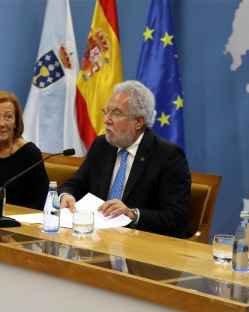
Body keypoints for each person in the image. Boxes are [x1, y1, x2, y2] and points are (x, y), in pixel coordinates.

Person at [59, 80, 191, 238]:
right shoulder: (102, 145)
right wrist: (66, 196)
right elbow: (75, 184)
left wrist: (132, 214)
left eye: (115, 113)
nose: (106, 120)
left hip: (141, 244)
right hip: (97, 238)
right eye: (106, 111)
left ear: (138, 121)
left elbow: (175, 218)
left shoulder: (167, 156)